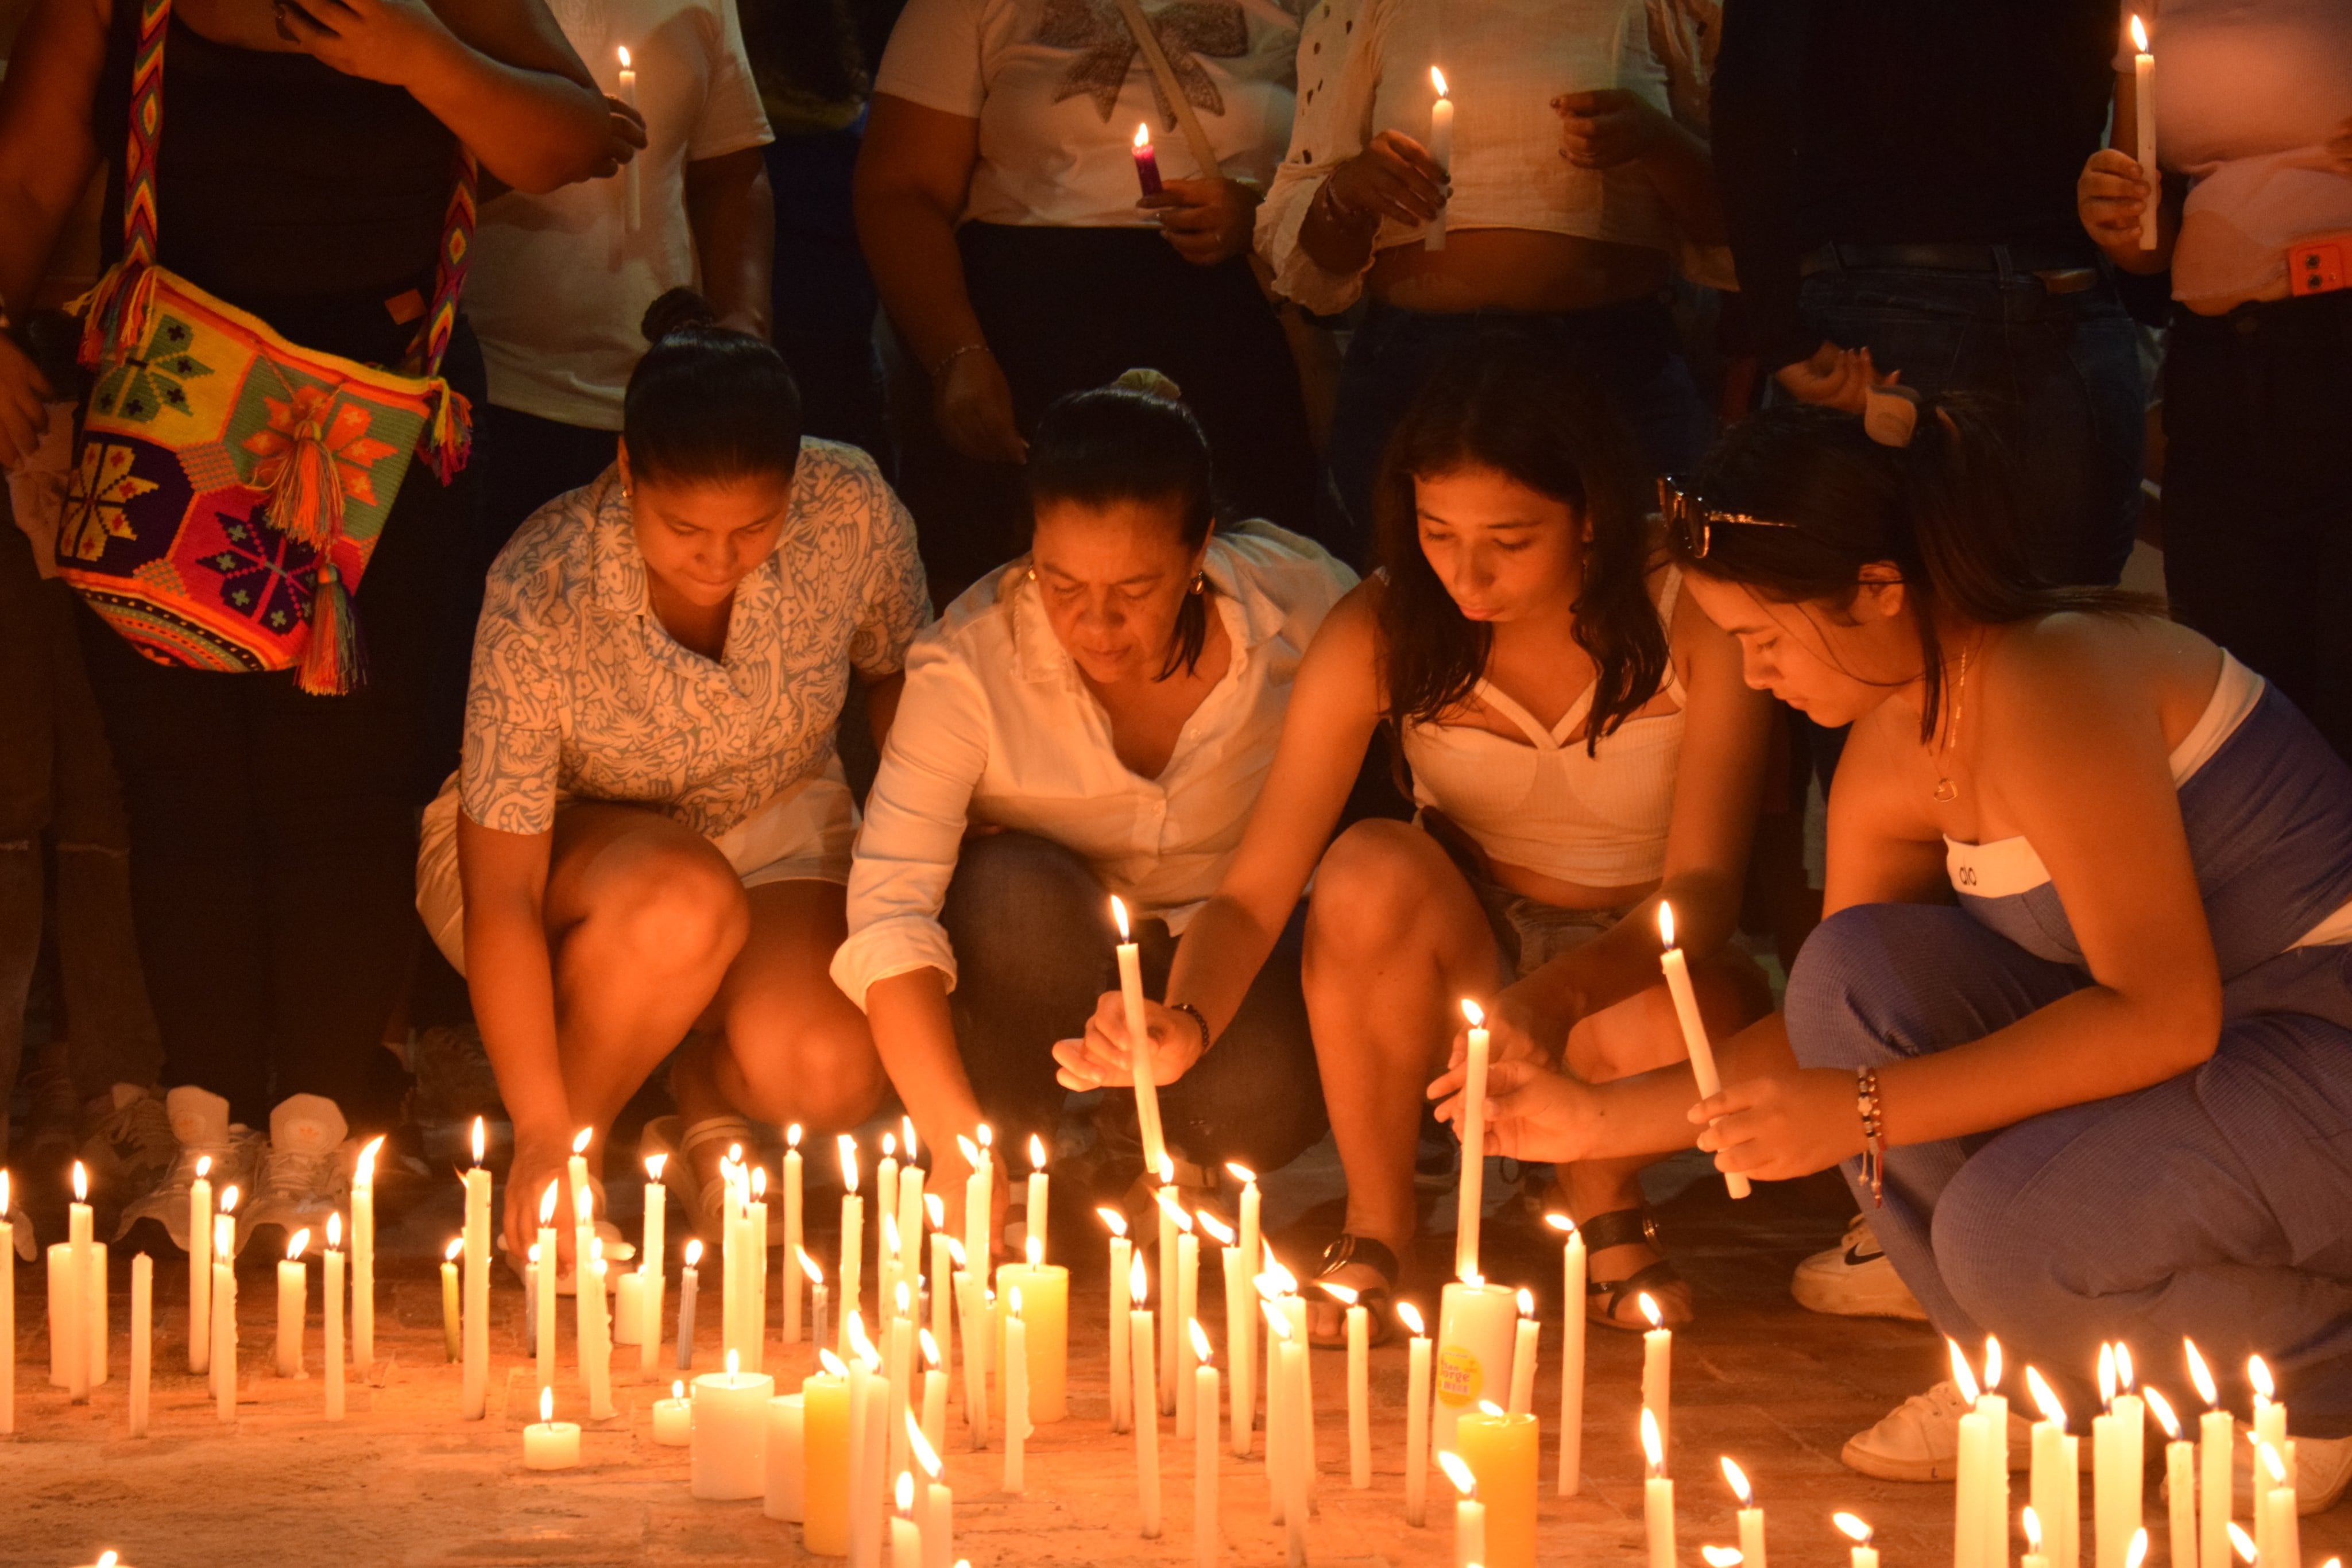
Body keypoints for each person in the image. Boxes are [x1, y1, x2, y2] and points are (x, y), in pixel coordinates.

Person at [1440, 400, 2352, 1503]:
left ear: (1877, 589)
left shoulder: (2054, 675)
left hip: (2315, 1051)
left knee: (2009, 1238)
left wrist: (1864, 1108)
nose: (1757, 673)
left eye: (1765, 638)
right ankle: (2029, 1374)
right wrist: (1598, 1121)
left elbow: (2163, 1014)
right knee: (1851, 970)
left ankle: (2317, 1383)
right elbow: (1831, 1035)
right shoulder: (1892, 739)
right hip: (2208, 1078)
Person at [0, 0, 623, 1246]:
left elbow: (579, 141)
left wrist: (418, 58)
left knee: (343, 782)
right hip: (170, 396)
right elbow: (29, 172)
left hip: (378, 405)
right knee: (178, 790)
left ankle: (318, 1143)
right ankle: (206, 1139)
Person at [1061, 347, 1772, 1341]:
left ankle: (1603, 1199)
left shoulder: (1690, 607)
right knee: (1364, 867)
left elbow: (1704, 892)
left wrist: (1558, 993)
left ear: (1593, 517)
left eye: (1509, 541)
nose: (1464, 574)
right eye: (1438, 533)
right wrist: (1183, 1015)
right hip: (1474, 948)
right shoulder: (1385, 628)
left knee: (1630, 1025)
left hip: (1648, 958)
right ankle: (1381, 1221)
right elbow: (1259, 890)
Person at [416, 291, 930, 1259]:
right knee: (677, 904)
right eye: (685, 527)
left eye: (754, 526)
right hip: (568, 860)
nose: (719, 559)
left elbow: (904, 681)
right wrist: (538, 1130)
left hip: (773, 820)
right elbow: (505, 893)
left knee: (827, 1071)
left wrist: (915, 865)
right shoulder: (545, 583)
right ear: (625, 470)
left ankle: (691, 1099)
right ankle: (560, 1171)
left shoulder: (850, 506)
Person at [831, 375, 1353, 1235]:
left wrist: (1184, 1018)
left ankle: (1157, 1147)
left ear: (1200, 553)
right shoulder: (969, 664)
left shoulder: (1304, 609)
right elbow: (889, 905)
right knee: (1008, 896)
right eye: (1062, 583)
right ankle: (1024, 1135)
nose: (1096, 623)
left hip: (1226, 950)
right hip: (1045, 950)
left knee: (1260, 1091)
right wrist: (952, 1137)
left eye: (1135, 590)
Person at [851, 0, 1322, 591]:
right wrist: (955, 354)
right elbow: (902, 187)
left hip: (1226, 334)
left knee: (1236, 582)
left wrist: (1258, 213)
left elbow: (1338, 175)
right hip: (1028, 333)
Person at [1258, 0, 1728, 560]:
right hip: (1419, 365)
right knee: (1418, 601)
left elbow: (1736, 221)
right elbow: (1308, 245)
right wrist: (1346, 193)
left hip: (1612, 360)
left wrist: (1655, 141)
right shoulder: (1365, 9)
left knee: (1637, 587)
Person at [1712, 0, 2145, 593]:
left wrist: (1777, 329)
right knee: (2063, 641)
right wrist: (2149, 280)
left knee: (1861, 638)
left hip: (1875, 293)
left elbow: (1753, 88)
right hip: (2064, 295)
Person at [2075, 0, 2352, 759]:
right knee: (2244, 699)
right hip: (2218, 368)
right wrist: (2117, 220)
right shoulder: (2154, 8)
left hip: (2337, 337)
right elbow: (2146, 232)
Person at [461, 0, 776, 584]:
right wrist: (548, 144)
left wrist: (745, 320)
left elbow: (732, 171)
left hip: (652, 400)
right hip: (481, 394)